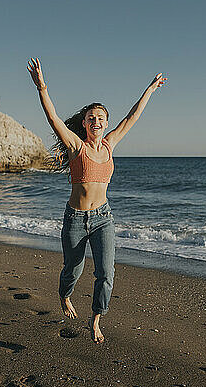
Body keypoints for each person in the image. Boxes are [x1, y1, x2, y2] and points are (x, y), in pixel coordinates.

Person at [27, 58, 166, 343]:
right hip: (75, 219)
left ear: (105, 123)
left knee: (106, 273)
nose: (96, 121)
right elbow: (52, 117)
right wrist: (42, 86)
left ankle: (96, 319)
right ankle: (64, 295)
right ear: (84, 123)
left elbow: (132, 117)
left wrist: (150, 89)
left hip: (103, 219)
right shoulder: (76, 146)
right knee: (73, 269)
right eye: (91, 118)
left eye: (101, 118)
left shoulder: (110, 144)